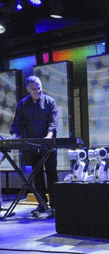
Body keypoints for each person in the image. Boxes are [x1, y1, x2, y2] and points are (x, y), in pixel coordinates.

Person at [10, 76, 58, 214]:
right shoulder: (22, 105)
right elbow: (17, 124)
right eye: (34, 89)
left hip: (48, 145)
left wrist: (49, 136)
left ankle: (54, 205)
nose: (38, 91)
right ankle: (42, 203)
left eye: (39, 87)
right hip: (32, 145)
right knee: (36, 175)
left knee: (51, 174)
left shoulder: (50, 102)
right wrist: (13, 137)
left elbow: (53, 123)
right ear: (27, 89)